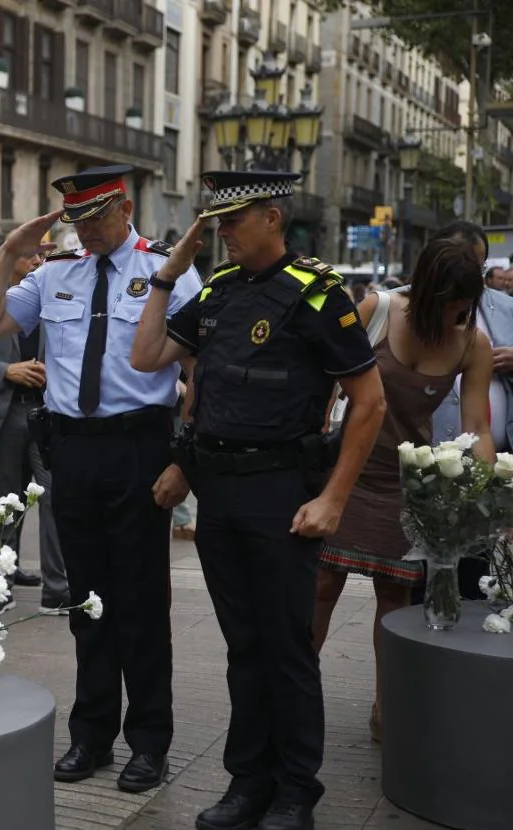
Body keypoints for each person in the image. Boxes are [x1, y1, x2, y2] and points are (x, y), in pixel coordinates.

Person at [129, 170, 386, 830]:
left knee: (287, 648)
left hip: (282, 492)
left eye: (233, 222)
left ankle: (297, 791)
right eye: (215, 224)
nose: (222, 234)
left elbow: (369, 402)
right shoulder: (215, 292)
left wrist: (333, 498)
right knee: (244, 646)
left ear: (272, 217)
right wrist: (168, 274)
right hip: (220, 492)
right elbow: (148, 356)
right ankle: (248, 783)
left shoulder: (318, 296)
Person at [0, 164, 201, 794]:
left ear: (124, 208)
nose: (87, 230)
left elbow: (199, 365)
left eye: (96, 217)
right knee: (85, 601)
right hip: (73, 451)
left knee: (142, 603)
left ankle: (149, 741)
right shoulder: (53, 274)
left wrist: (186, 457)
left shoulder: (164, 270)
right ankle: (91, 734)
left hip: (140, 448)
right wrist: (12, 252)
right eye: (77, 220)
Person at [313, 236, 491, 743]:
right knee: (320, 587)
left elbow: (477, 425)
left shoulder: (470, 341)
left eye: (465, 306)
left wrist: (488, 491)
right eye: (451, 305)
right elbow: (329, 380)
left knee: (394, 596)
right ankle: (295, 695)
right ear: (428, 291)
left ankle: (385, 706)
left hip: (405, 479)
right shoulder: (378, 307)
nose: (458, 314)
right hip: (345, 470)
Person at [0, 248, 62, 614]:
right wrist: (6, 370)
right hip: (3, 414)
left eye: (42, 257)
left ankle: (59, 589)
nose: (37, 261)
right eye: (31, 254)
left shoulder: (56, 296)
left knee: (54, 497)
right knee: (4, 504)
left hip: (48, 412)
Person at [432, 222, 513, 600]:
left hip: (489, 463)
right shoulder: (397, 305)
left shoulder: (507, 309)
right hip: (423, 465)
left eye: (477, 270)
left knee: (475, 579)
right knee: (419, 576)